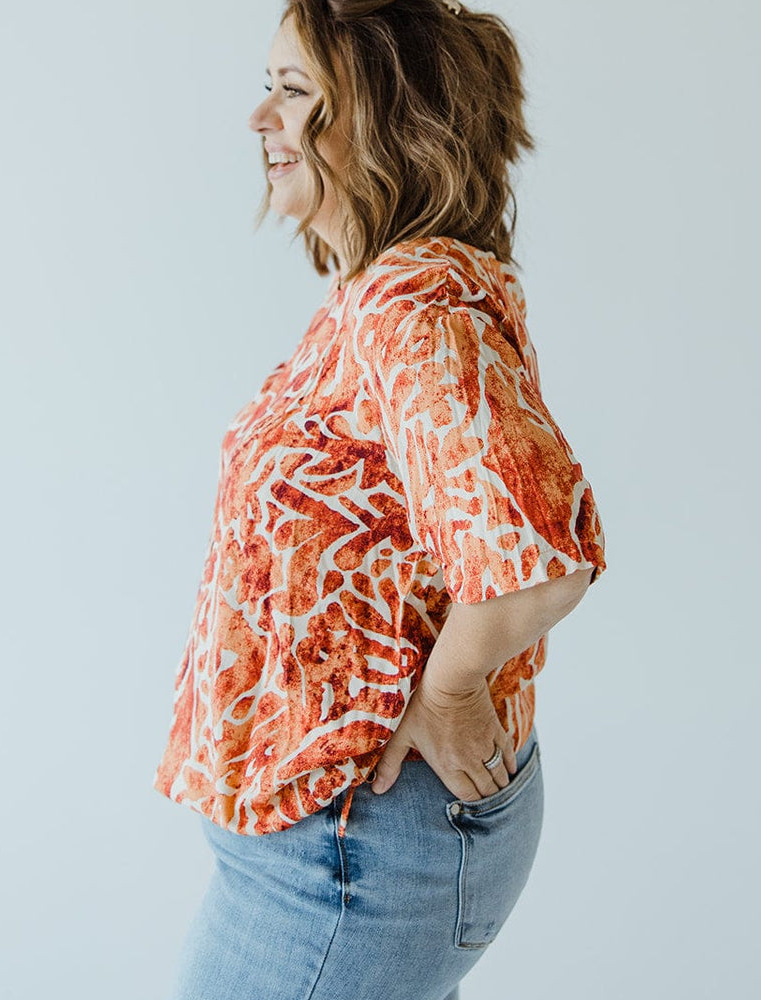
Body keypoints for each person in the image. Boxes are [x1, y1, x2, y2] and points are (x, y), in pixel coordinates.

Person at [153, 2, 607, 998]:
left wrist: (446, 692)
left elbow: (538, 562)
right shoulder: (385, 297)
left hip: (348, 856)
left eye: (293, 91)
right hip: (334, 849)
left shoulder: (416, 310)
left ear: (387, 120)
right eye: (265, 86)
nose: (258, 119)